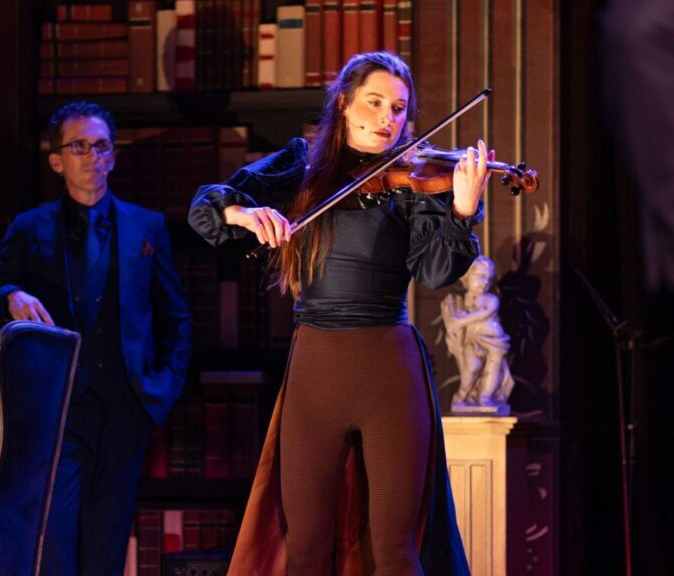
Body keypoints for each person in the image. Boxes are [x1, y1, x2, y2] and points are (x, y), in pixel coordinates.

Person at [189, 52, 491, 576]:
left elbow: (437, 271)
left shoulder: (414, 180)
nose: (387, 118)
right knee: (306, 547)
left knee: (395, 550)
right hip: (316, 368)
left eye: (398, 108)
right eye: (374, 102)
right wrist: (242, 212)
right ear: (345, 104)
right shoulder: (301, 164)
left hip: (389, 369)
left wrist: (462, 211)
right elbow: (206, 209)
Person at [0, 101, 192, 575]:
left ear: (113, 156)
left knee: (108, 544)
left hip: (125, 407)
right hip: (56, 410)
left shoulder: (146, 226)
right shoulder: (30, 228)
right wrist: (11, 295)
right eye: (79, 146)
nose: (92, 156)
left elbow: (176, 318)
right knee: (55, 543)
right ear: (56, 161)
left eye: (102, 146)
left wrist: (160, 393)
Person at [441, 255, 514, 409]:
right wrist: (454, 320)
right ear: (467, 277)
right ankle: (461, 395)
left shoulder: (491, 300)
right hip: (472, 339)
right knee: (472, 367)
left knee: (492, 368)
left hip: (495, 341)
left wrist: (459, 321)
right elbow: (453, 324)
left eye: (489, 279)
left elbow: (481, 314)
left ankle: (485, 397)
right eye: (481, 277)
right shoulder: (461, 301)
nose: (485, 282)